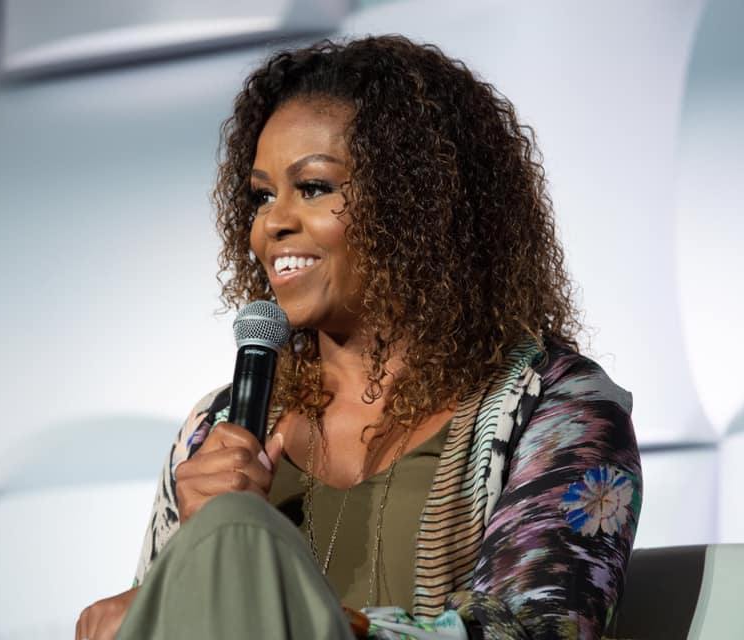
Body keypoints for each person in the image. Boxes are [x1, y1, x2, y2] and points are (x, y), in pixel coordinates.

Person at [76, 35, 641, 640]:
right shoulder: (216, 427)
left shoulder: (557, 407)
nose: (272, 222)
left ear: (416, 203)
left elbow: (541, 630)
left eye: (314, 187)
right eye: (262, 195)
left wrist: (294, 617)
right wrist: (176, 579)